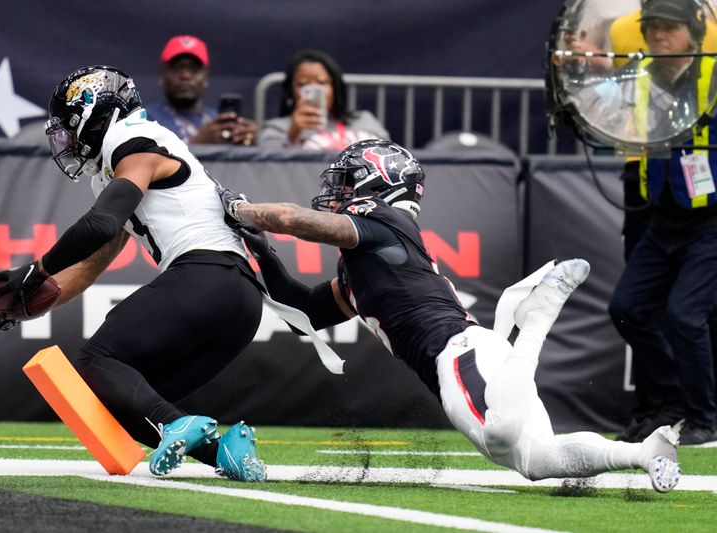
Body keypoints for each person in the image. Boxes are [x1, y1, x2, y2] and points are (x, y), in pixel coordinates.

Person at [218, 138, 683, 493]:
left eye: (347, 180)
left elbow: (296, 220)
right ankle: (645, 453)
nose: (335, 192)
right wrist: (258, 250)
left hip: (457, 352)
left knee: (501, 434)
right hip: (478, 356)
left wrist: (240, 210)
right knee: (535, 460)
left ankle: (538, 320)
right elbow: (304, 309)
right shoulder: (363, 266)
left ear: (377, 182)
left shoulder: (383, 224)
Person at [0, 65, 266, 482]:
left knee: (96, 359)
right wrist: (36, 297)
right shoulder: (122, 164)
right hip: (239, 302)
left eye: (70, 127)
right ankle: (227, 453)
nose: (68, 140)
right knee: (123, 406)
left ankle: (176, 423)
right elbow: (92, 262)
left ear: (97, 114)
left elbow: (100, 224)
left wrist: (35, 270)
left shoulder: (132, 140)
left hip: (206, 274)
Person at [608, 0, 717, 446]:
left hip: (710, 219)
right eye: (651, 27)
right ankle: (674, 399)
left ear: (693, 32)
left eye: (669, 28)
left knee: (685, 315)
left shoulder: (713, 74)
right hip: (661, 216)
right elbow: (599, 115)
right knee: (626, 308)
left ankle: (704, 420)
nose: (658, 36)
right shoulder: (639, 77)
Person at [257, 49, 389, 150]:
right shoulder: (277, 129)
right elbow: (270, 171)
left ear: (335, 87)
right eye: (303, 84)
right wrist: (292, 135)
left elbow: (391, 158)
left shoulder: (364, 120)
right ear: (290, 91)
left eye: (322, 82)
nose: (314, 89)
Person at [145, 35, 259, 146]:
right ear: (162, 75)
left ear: (206, 78)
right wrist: (198, 145)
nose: (185, 75)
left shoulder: (218, 121)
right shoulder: (146, 120)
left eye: (194, 69)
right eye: (177, 68)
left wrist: (249, 145)